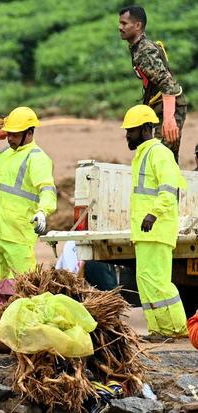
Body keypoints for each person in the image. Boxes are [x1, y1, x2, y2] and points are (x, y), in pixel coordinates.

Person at [121, 104, 188, 339]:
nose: (127, 135)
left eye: (132, 130)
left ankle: (179, 329)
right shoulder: (143, 155)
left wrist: (153, 214)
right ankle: (160, 329)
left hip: (157, 228)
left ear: (147, 128)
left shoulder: (159, 153)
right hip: (146, 232)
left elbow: (169, 189)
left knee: (158, 282)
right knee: (146, 281)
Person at [0, 107, 57, 290]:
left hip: (17, 235)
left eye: (15, 135)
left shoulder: (37, 158)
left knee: (27, 286)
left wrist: (43, 211)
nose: (10, 138)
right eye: (9, 134)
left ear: (29, 133)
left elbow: (47, 188)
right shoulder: (4, 154)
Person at [119, 5, 186, 163]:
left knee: (161, 156)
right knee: (160, 153)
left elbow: (168, 83)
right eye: (120, 23)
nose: (120, 27)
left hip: (170, 107)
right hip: (158, 106)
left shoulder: (144, 51)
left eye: (124, 23)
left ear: (137, 26)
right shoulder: (137, 47)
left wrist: (169, 119)